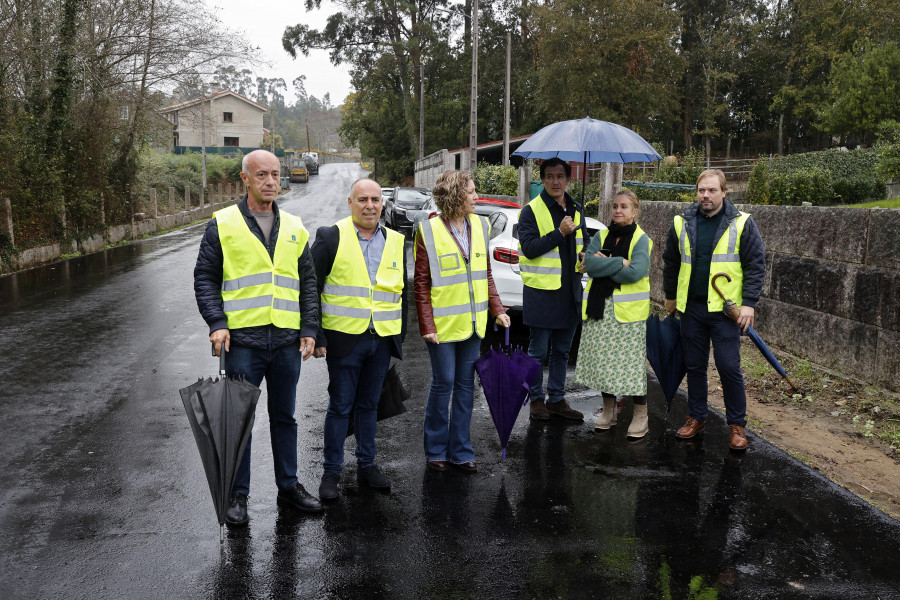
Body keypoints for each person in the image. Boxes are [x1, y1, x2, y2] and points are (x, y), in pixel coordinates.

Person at [193, 149, 323, 526]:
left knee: (285, 416)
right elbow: (205, 277)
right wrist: (217, 321)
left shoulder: (296, 226)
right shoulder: (223, 223)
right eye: (262, 174)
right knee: (240, 421)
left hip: (285, 342)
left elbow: (308, 283)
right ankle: (238, 495)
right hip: (242, 344)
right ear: (245, 178)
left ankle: (289, 486)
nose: (270, 181)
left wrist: (309, 329)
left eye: (275, 174)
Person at [311, 178, 407, 500]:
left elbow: (398, 292)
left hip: (380, 341)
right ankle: (331, 472)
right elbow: (311, 287)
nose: (369, 205)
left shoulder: (395, 240)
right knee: (340, 406)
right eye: (362, 199)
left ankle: (367, 465)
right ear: (350, 202)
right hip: (343, 340)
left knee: (369, 404)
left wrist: (398, 336)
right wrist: (317, 334)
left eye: (375, 200)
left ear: (383, 204)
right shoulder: (331, 237)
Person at [662, 169, 765, 450]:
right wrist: (670, 297)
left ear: (723, 192)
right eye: (700, 191)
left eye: (711, 190)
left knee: (728, 366)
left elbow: (755, 265)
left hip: (724, 311)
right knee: (694, 366)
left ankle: (737, 425)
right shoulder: (681, 222)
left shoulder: (742, 223)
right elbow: (670, 262)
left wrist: (749, 304)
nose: (705, 196)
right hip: (691, 309)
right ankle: (696, 417)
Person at [415, 170, 511, 473]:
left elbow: (486, 273)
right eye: (470, 191)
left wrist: (498, 309)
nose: (476, 196)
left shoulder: (481, 226)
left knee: (465, 386)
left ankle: (461, 451)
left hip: (473, 324)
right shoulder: (428, 230)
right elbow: (421, 283)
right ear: (456, 196)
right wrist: (427, 326)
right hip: (442, 327)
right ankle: (435, 451)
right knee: (443, 385)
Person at [576, 190, 653, 437]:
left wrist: (603, 264)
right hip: (601, 309)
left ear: (635, 211)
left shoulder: (642, 239)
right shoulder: (601, 235)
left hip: (628, 314)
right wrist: (620, 262)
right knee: (603, 363)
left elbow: (635, 273)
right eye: (615, 206)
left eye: (624, 207)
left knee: (632, 366)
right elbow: (590, 264)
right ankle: (609, 410)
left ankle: (641, 414)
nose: (618, 211)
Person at [518, 158, 589, 422]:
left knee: (561, 351)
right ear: (543, 180)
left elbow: (584, 241)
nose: (555, 182)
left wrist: (586, 255)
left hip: (570, 292)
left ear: (569, 180)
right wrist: (559, 233)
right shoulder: (530, 211)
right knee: (537, 352)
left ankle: (557, 399)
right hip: (543, 293)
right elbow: (529, 248)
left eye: (560, 176)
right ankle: (536, 400)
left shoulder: (576, 208)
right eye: (549, 177)